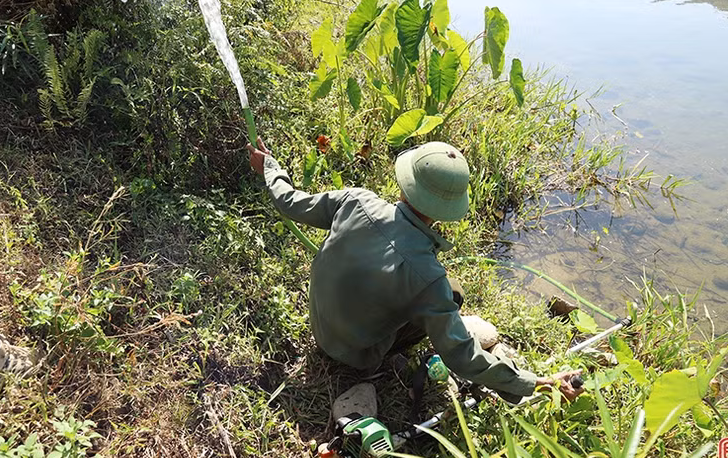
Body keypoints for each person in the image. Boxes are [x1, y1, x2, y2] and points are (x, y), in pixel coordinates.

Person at [247, 138, 583, 403]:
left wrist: (270, 168)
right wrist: (539, 383)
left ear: (407, 181)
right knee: (453, 295)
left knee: (432, 295)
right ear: (448, 208)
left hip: (319, 324)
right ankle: (379, 361)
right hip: (354, 355)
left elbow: (290, 201)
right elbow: (461, 356)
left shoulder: (355, 199)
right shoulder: (429, 278)